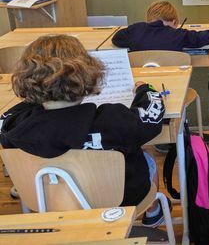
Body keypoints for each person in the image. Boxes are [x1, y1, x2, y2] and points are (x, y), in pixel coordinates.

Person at [0, 35, 168, 227]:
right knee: (146, 157)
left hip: (46, 201)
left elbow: (12, 112)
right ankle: (153, 214)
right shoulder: (113, 121)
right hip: (120, 202)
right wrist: (146, 89)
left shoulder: (12, 126)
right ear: (87, 73)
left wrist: (42, 89)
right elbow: (151, 115)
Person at [112, 0, 209, 51]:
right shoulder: (178, 35)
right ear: (174, 22)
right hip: (173, 80)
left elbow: (116, 39)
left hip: (141, 81)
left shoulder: (135, 30)